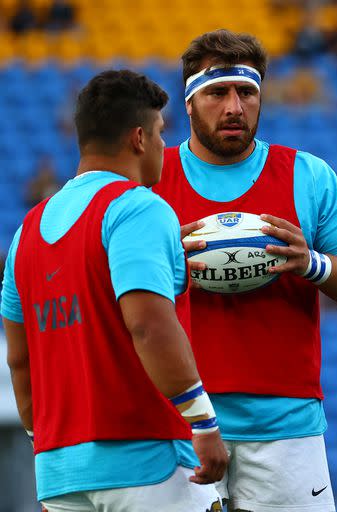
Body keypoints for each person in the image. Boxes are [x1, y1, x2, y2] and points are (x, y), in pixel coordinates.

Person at [152, 29, 337, 512]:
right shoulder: (152, 178)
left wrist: (312, 263)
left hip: (285, 427)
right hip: (177, 424)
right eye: (218, 92)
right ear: (190, 101)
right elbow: (105, 286)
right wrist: (162, 263)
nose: (234, 106)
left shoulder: (307, 174)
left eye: (247, 92)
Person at [1, 70, 228, 512]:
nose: (166, 144)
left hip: (59, 475)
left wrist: (47, 444)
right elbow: (148, 325)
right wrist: (203, 423)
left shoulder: (26, 231)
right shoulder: (138, 208)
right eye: (162, 133)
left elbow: (19, 358)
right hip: (146, 464)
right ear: (139, 138)